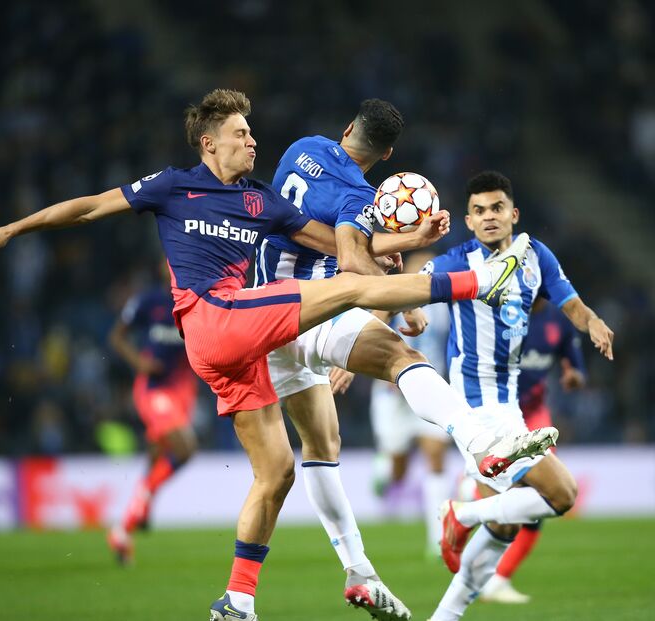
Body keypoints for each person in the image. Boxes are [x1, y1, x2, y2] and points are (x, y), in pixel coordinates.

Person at [0, 89, 557, 621]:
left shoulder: (267, 196)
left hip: (253, 339)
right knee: (368, 321)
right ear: (209, 143)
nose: (253, 139)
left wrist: (399, 244)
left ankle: (244, 599)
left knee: (283, 468)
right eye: (241, 133)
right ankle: (478, 285)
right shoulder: (176, 186)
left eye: (251, 132)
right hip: (230, 316)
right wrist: (13, 229)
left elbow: (338, 246)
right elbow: (91, 207)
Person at [255, 100, 543, 620]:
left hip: (260, 315)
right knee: (399, 354)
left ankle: (359, 569)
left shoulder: (299, 150)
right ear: (387, 154)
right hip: (310, 306)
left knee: (321, 445)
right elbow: (349, 258)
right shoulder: (359, 195)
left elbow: (309, 229)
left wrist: (401, 241)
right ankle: (477, 438)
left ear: (346, 128)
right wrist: (403, 298)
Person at [421, 171, 614, 621]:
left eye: (497, 208)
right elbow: (405, 288)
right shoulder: (458, 260)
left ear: (514, 214)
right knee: (562, 494)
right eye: (480, 211)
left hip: (506, 404)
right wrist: (400, 313)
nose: (489, 217)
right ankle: (461, 513)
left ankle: (443, 616)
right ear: (468, 221)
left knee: (505, 525)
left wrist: (593, 323)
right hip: (476, 405)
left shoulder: (535, 255)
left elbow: (571, 303)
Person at [479, 297, 586, 603]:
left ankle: (498, 579)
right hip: (497, 416)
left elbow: (575, 365)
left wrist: (574, 376)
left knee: (541, 498)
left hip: (535, 418)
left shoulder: (558, 321)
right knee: (506, 497)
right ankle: (469, 508)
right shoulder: (499, 314)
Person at [106, 264, 201, 565]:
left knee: (156, 457)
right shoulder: (148, 302)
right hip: (153, 389)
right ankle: (134, 514)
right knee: (185, 450)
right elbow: (117, 337)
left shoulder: (197, 300)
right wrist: (139, 362)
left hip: (183, 390)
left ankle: (125, 532)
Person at [368, 251, 453, 557]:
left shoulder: (445, 306)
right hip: (391, 392)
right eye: (422, 269)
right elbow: (373, 332)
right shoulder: (392, 297)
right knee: (399, 470)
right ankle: (385, 468)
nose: (427, 275)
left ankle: (437, 537)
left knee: (436, 458)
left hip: (430, 386)